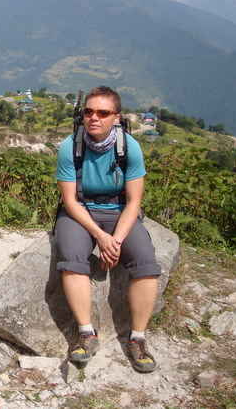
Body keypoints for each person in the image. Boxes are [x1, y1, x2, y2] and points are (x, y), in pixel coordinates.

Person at [54, 86, 161, 373]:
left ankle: (137, 338)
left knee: (145, 261)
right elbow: (70, 201)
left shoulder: (128, 147)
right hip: (80, 213)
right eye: (88, 111)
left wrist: (116, 240)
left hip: (119, 211)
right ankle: (86, 334)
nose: (94, 117)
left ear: (117, 117)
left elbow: (134, 201)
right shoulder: (70, 146)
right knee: (72, 258)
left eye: (103, 112)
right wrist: (101, 237)